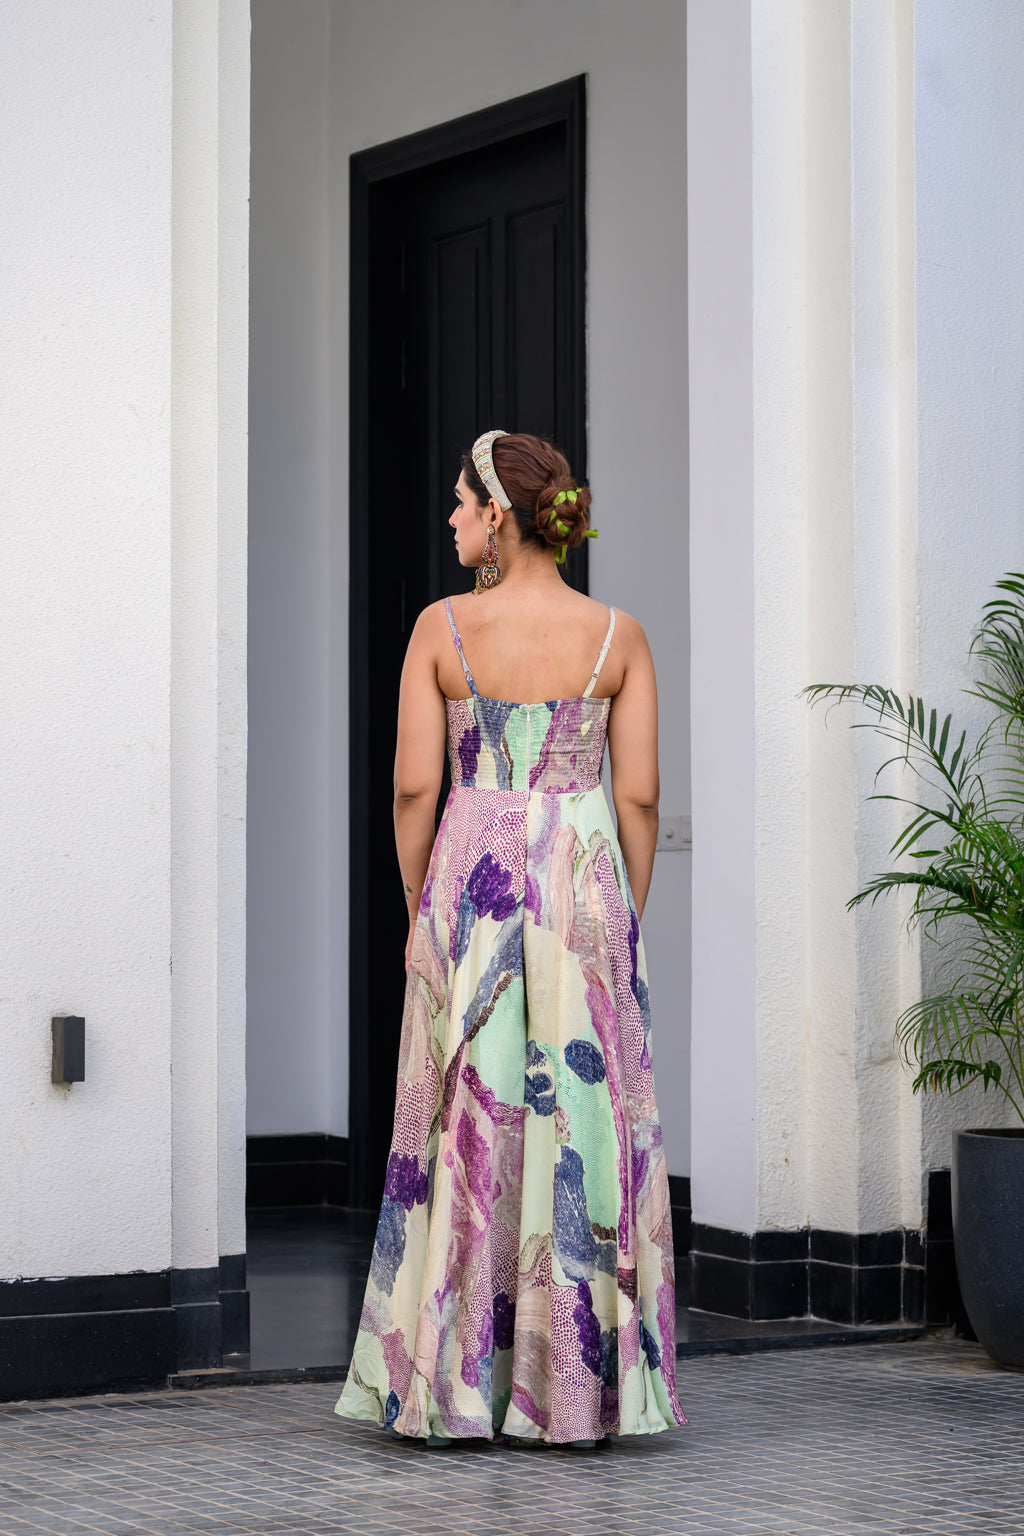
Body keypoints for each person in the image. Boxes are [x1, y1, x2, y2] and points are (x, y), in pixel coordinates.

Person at [335, 431, 685, 1447]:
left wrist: (422, 910)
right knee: (581, 1121)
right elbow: (640, 797)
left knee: (467, 1118)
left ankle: (452, 1382)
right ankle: (574, 1391)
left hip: (473, 883)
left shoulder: (441, 628)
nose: (449, 517)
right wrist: (618, 916)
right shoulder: (618, 635)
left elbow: (414, 789)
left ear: (498, 515)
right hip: (582, 880)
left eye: (461, 500)